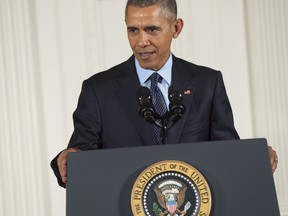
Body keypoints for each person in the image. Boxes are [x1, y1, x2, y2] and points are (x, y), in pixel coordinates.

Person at [51, 0, 278, 188]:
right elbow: (81, 156)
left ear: (176, 28)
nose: (141, 41)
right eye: (133, 30)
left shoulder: (207, 82)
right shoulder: (98, 89)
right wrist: (68, 159)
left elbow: (227, 153)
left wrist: (253, 159)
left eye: (152, 29)